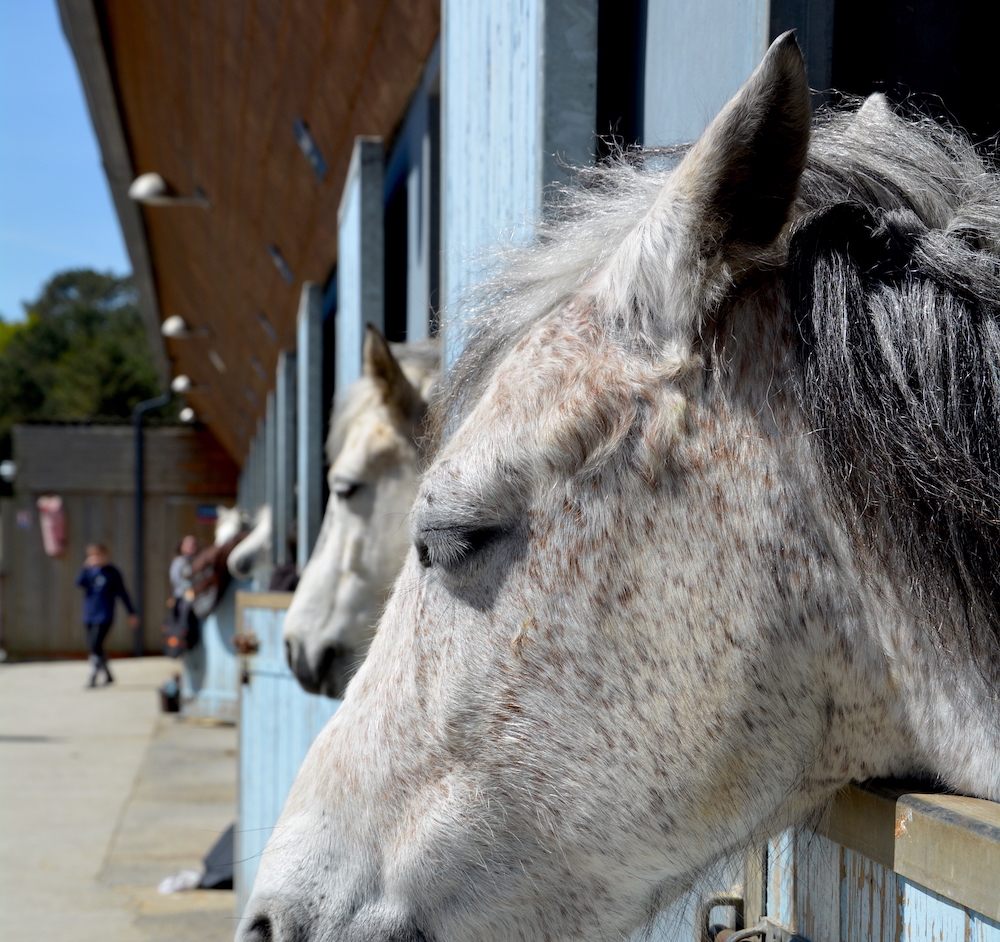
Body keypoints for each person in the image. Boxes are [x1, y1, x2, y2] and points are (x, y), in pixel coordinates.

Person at [74, 543, 138, 687]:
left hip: (105, 614)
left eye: (98, 555)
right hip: (89, 613)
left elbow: (123, 592)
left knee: (96, 645)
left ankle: (93, 675)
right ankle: (108, 675)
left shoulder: (112, 572)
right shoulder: (89, 572)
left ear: (104, 555)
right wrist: (85, 568)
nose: (95, 558)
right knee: (94, 646)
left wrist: (131, 612)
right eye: (92, 555)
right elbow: (78, 583)